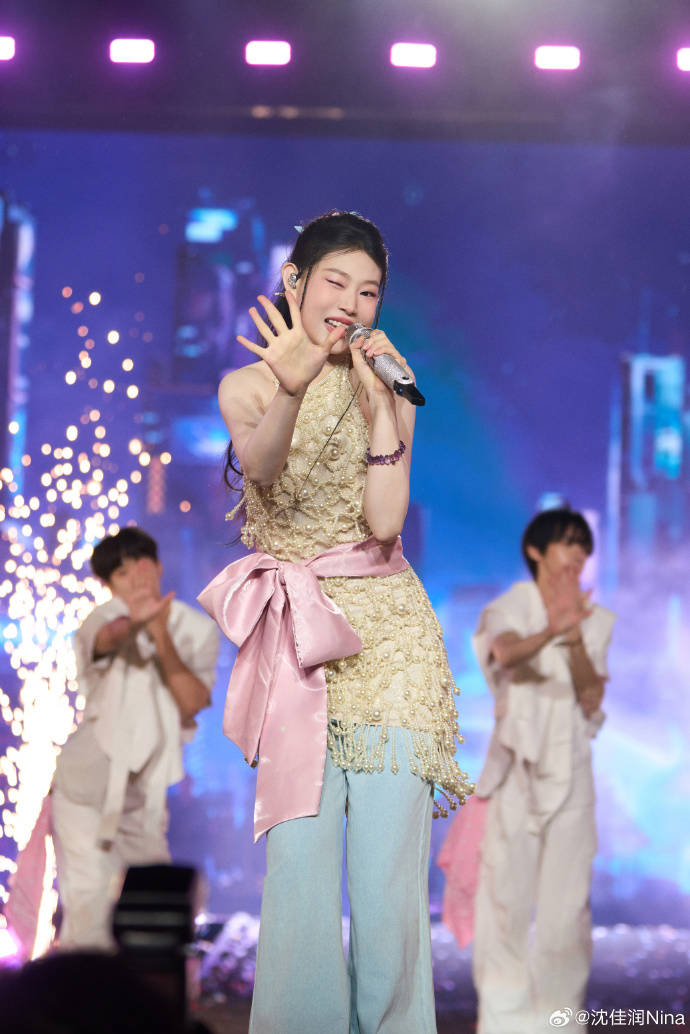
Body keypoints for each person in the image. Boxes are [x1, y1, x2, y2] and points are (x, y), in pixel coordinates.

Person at [197, 210, 473, 1034]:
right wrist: (292, 385)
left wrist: (383, 405)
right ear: (295, 283)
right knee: (299, 881)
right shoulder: (247, 386)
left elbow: (385, 521)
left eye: (369, 291)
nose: (351, 303)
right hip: (299, 649)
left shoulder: (391, 378)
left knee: (388, 896)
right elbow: (263, 469)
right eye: (335, 283)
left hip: (390, 649)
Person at [470, 508, 616, 1034]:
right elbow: (504, 651)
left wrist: (572, 635)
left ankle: (559, 1021)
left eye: (584, 546)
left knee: (566, 910)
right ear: (536, 550)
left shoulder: (596, 617)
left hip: (572, 773)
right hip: (516, 771)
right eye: (567, 542)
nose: (578, 554)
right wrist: (550, 628)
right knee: (504, 904)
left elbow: (592, 696)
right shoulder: (512, 603)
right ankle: (502, 1021)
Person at [51, 527, 219, 949]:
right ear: (109, 585)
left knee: (152, 904)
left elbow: (193, 701)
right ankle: (82, 988)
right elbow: (107, 639)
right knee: (88, 907)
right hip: (86, 787)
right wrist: (138, 624)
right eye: (122, 573)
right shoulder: (102, 619)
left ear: (159, 566)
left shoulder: (197, 630)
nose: (136, 577)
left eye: (141, 564)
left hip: (146, 795)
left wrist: (160, 633)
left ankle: (139, 987)